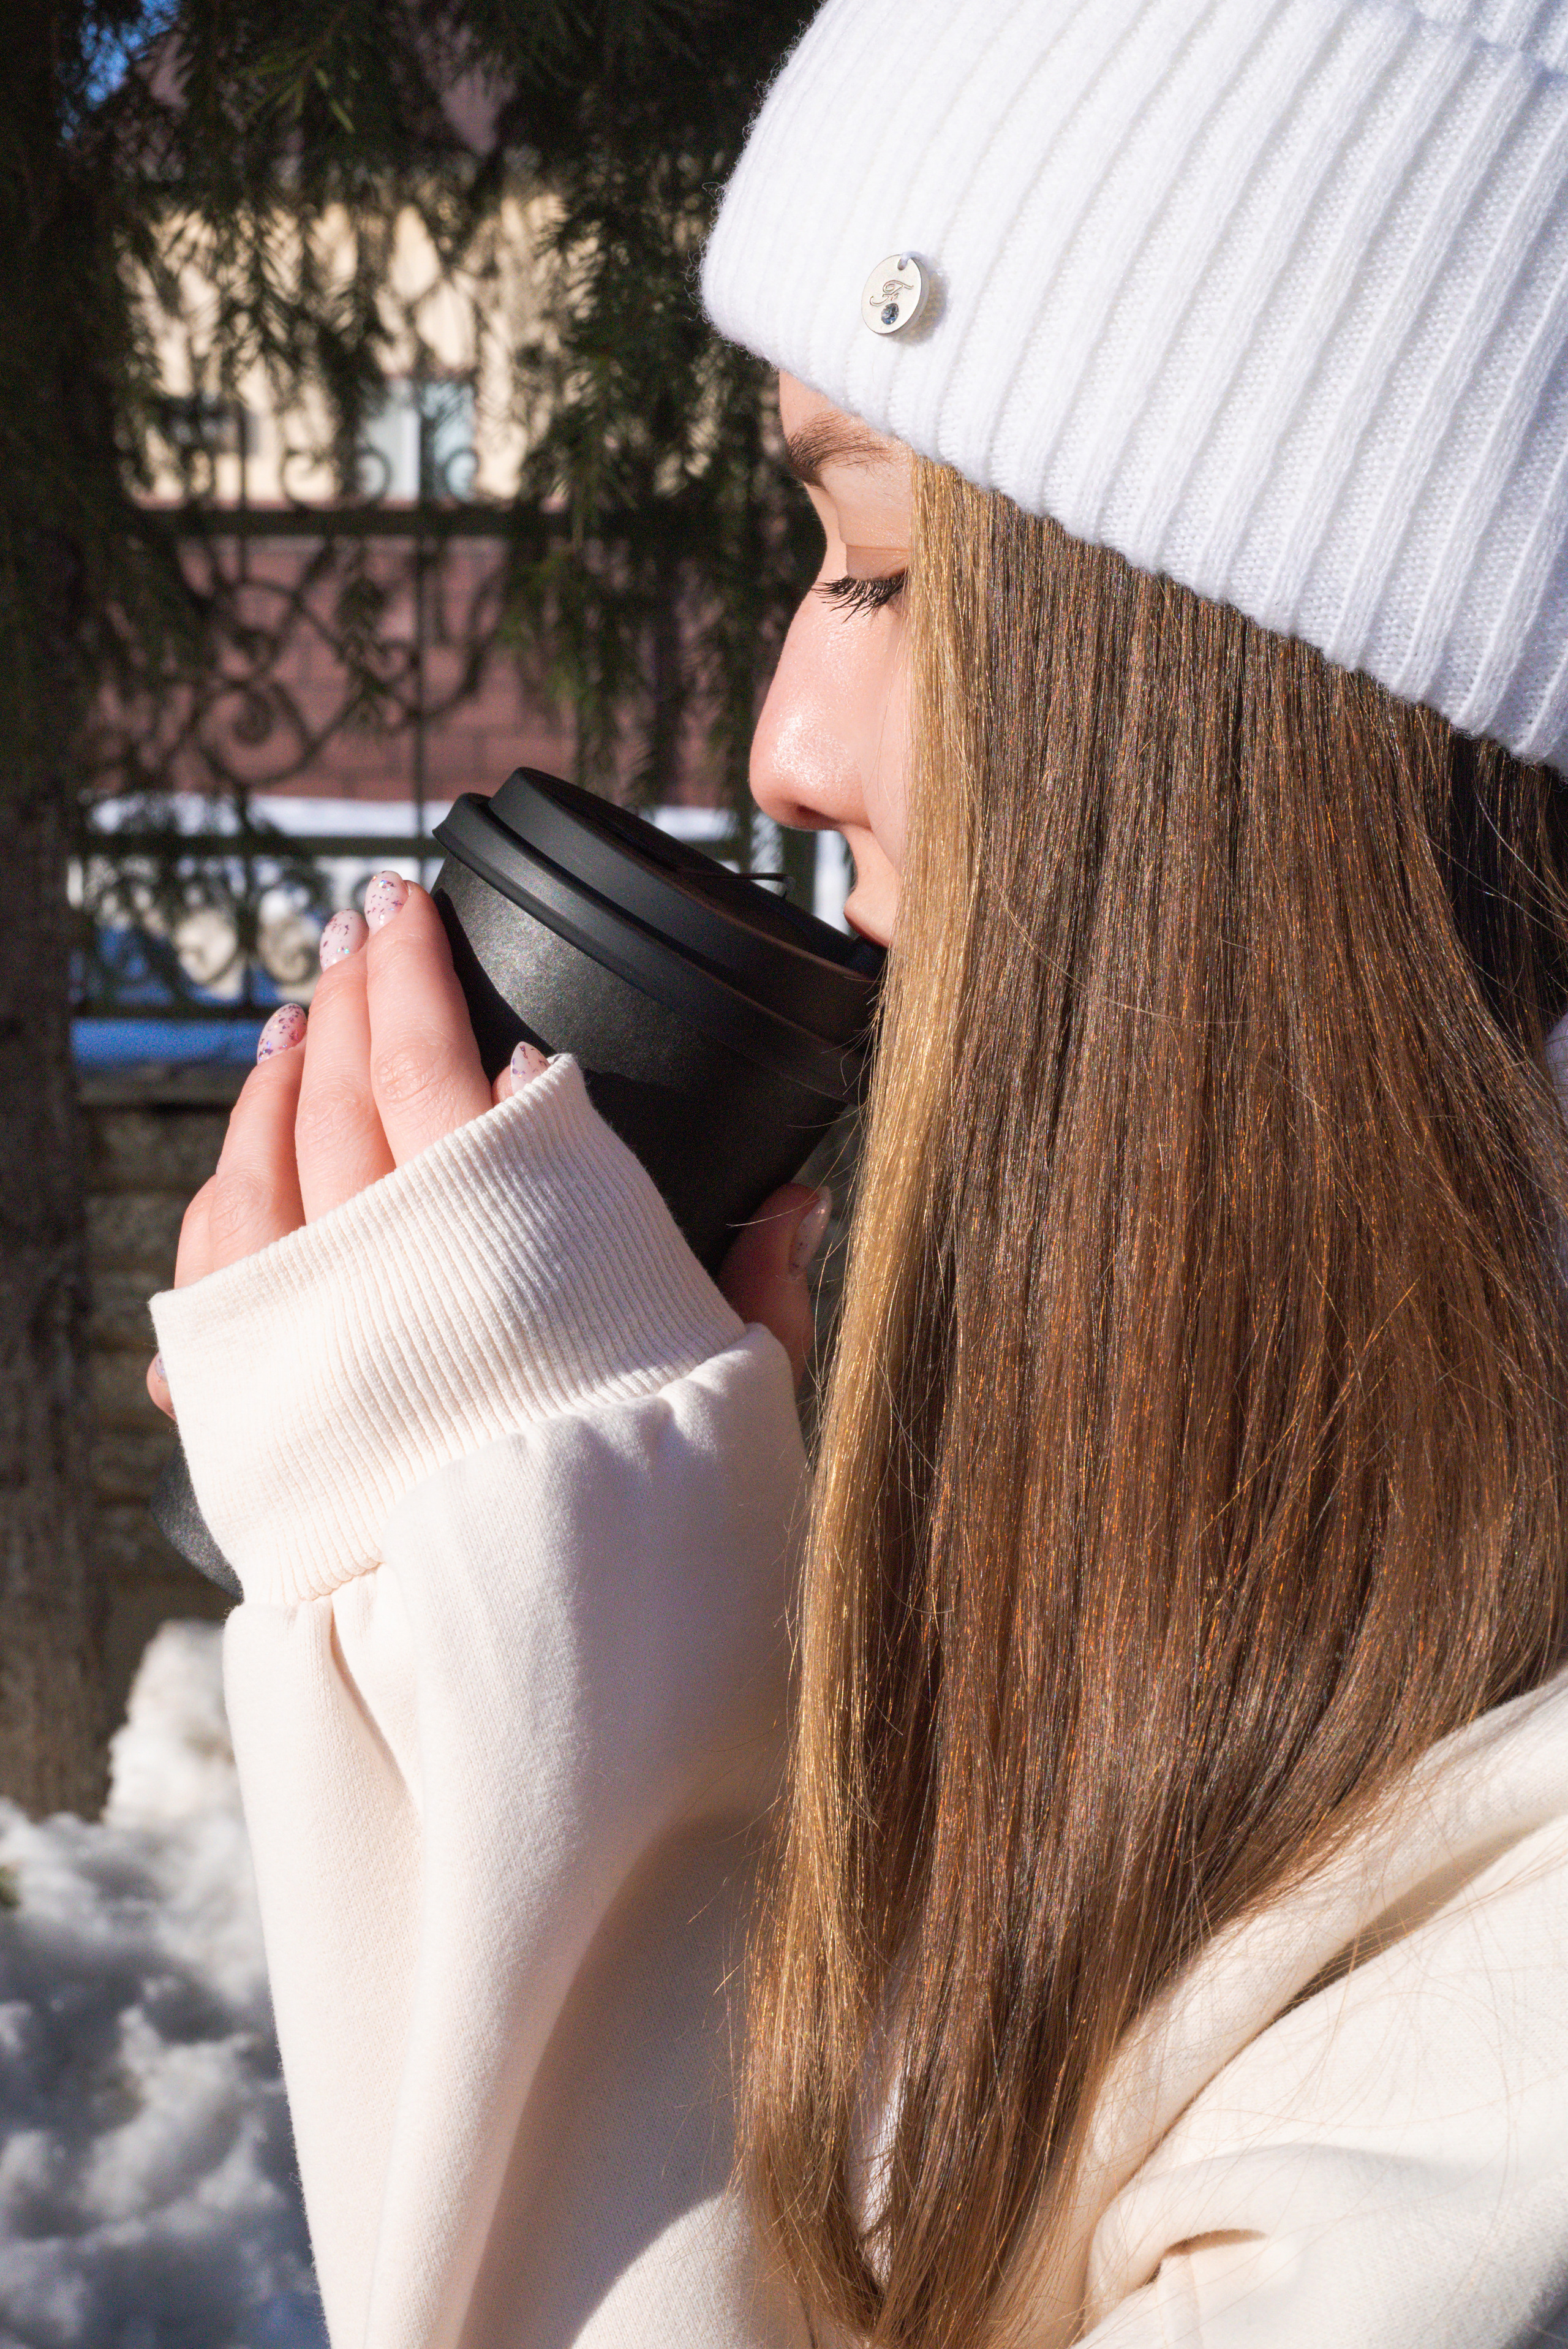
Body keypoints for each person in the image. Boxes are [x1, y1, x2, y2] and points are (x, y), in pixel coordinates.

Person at [149, 1, 1568, 2343]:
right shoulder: (1266, 1597)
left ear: (1300, 702)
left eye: (890, 565)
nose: (783, 745)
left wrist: (533, 1678)